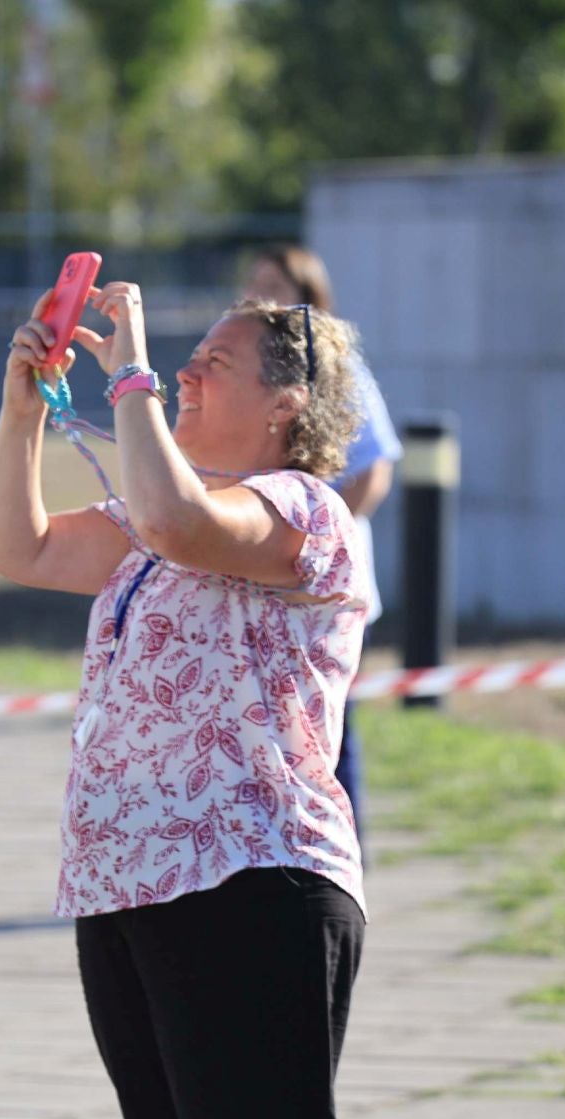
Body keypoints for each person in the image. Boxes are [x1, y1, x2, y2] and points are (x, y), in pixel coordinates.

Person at [0, 281, 371, 1119]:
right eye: (183, 359)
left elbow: (183, 520)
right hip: (132, 889)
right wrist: (24, 408)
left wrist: (134, 374)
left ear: (286, 405)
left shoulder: (305, 507)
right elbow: (18, 546)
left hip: (251, 881)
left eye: (215, 363)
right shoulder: (153, 521)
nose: (187, 373)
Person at [246, 245, 400, 842]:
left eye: (276, 288)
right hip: (266, 583)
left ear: (310, 298)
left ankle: (344, 852)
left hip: (320, 589)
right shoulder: (253, 377)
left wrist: (312, 549)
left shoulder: (339, 372)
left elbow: (375, 470)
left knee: (333, 728)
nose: (264, 302)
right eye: (255, 289)